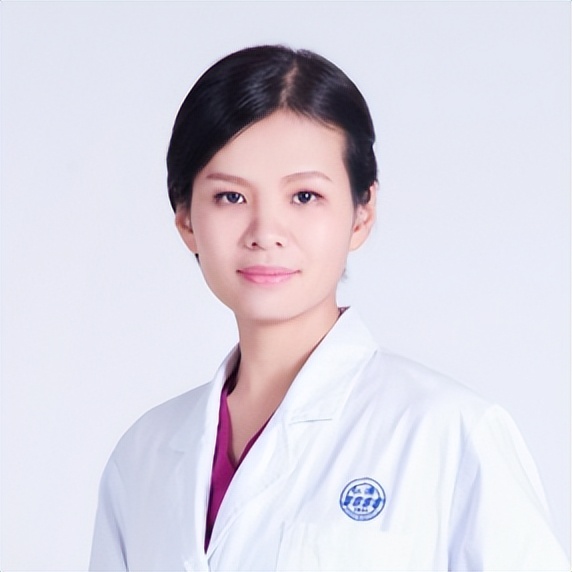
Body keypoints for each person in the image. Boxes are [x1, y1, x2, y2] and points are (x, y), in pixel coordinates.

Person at [89, 45, 569, 571]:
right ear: (185, 219)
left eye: (304, 197)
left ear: (362, 213)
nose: (265, 233)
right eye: (231, 197)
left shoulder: (448, 433)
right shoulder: (144, 455)